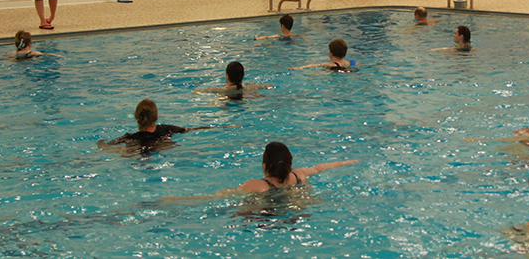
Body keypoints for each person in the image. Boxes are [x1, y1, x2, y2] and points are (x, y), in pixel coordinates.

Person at [160, 142, 359, 199]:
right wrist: (350, 161)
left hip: (269, 216)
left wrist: (174, 200)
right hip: (297, 212)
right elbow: (322, 167)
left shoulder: (257, 185)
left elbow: (217, 196)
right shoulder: (299, 175)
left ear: (264, 166)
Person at [97, 99, 238, 149]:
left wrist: (100, 142)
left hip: (138, 151)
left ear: (137, 117)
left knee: (127, 151)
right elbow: (194, 129)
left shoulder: (130, 137)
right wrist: (224, 127)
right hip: (163, 144)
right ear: (156, 117)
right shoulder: (167, 129)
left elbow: (105, 147)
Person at [198, 61, 273, 97]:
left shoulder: (218, 89)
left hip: (228, 99)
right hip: (246, 98)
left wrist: (197, 90)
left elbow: (199, 94)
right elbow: (270, 86)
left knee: (219, 98)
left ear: (227, 76)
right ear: (242, 76)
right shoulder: (250, 88)